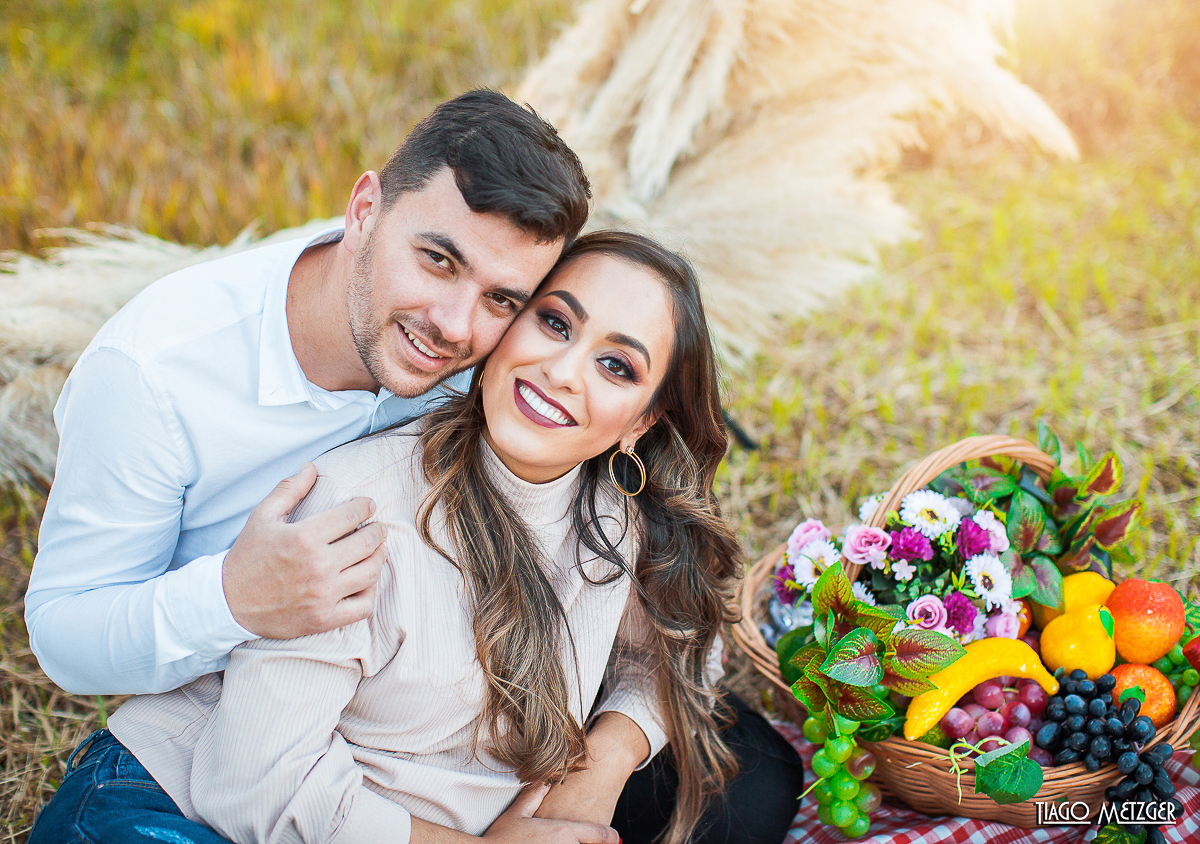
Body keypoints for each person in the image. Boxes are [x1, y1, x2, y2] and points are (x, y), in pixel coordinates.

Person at [29, 232, 805, 844]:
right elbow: (255, 787)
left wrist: (600, 768)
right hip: (174, 808)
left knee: (754, 781)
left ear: (642, 422)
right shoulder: (356, 508)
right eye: (555, 321)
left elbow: (683, 643)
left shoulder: (610, 510)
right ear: (506, 325)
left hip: (384, 814)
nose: (565, 370)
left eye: (614, 364)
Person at [24, 89, 590, 695]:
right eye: (437, 261)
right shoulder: (153, 372)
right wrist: (233, 598)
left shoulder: (512, 358)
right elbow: (65, 635)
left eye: (501, 298)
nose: (454, 327)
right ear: (364, 209)